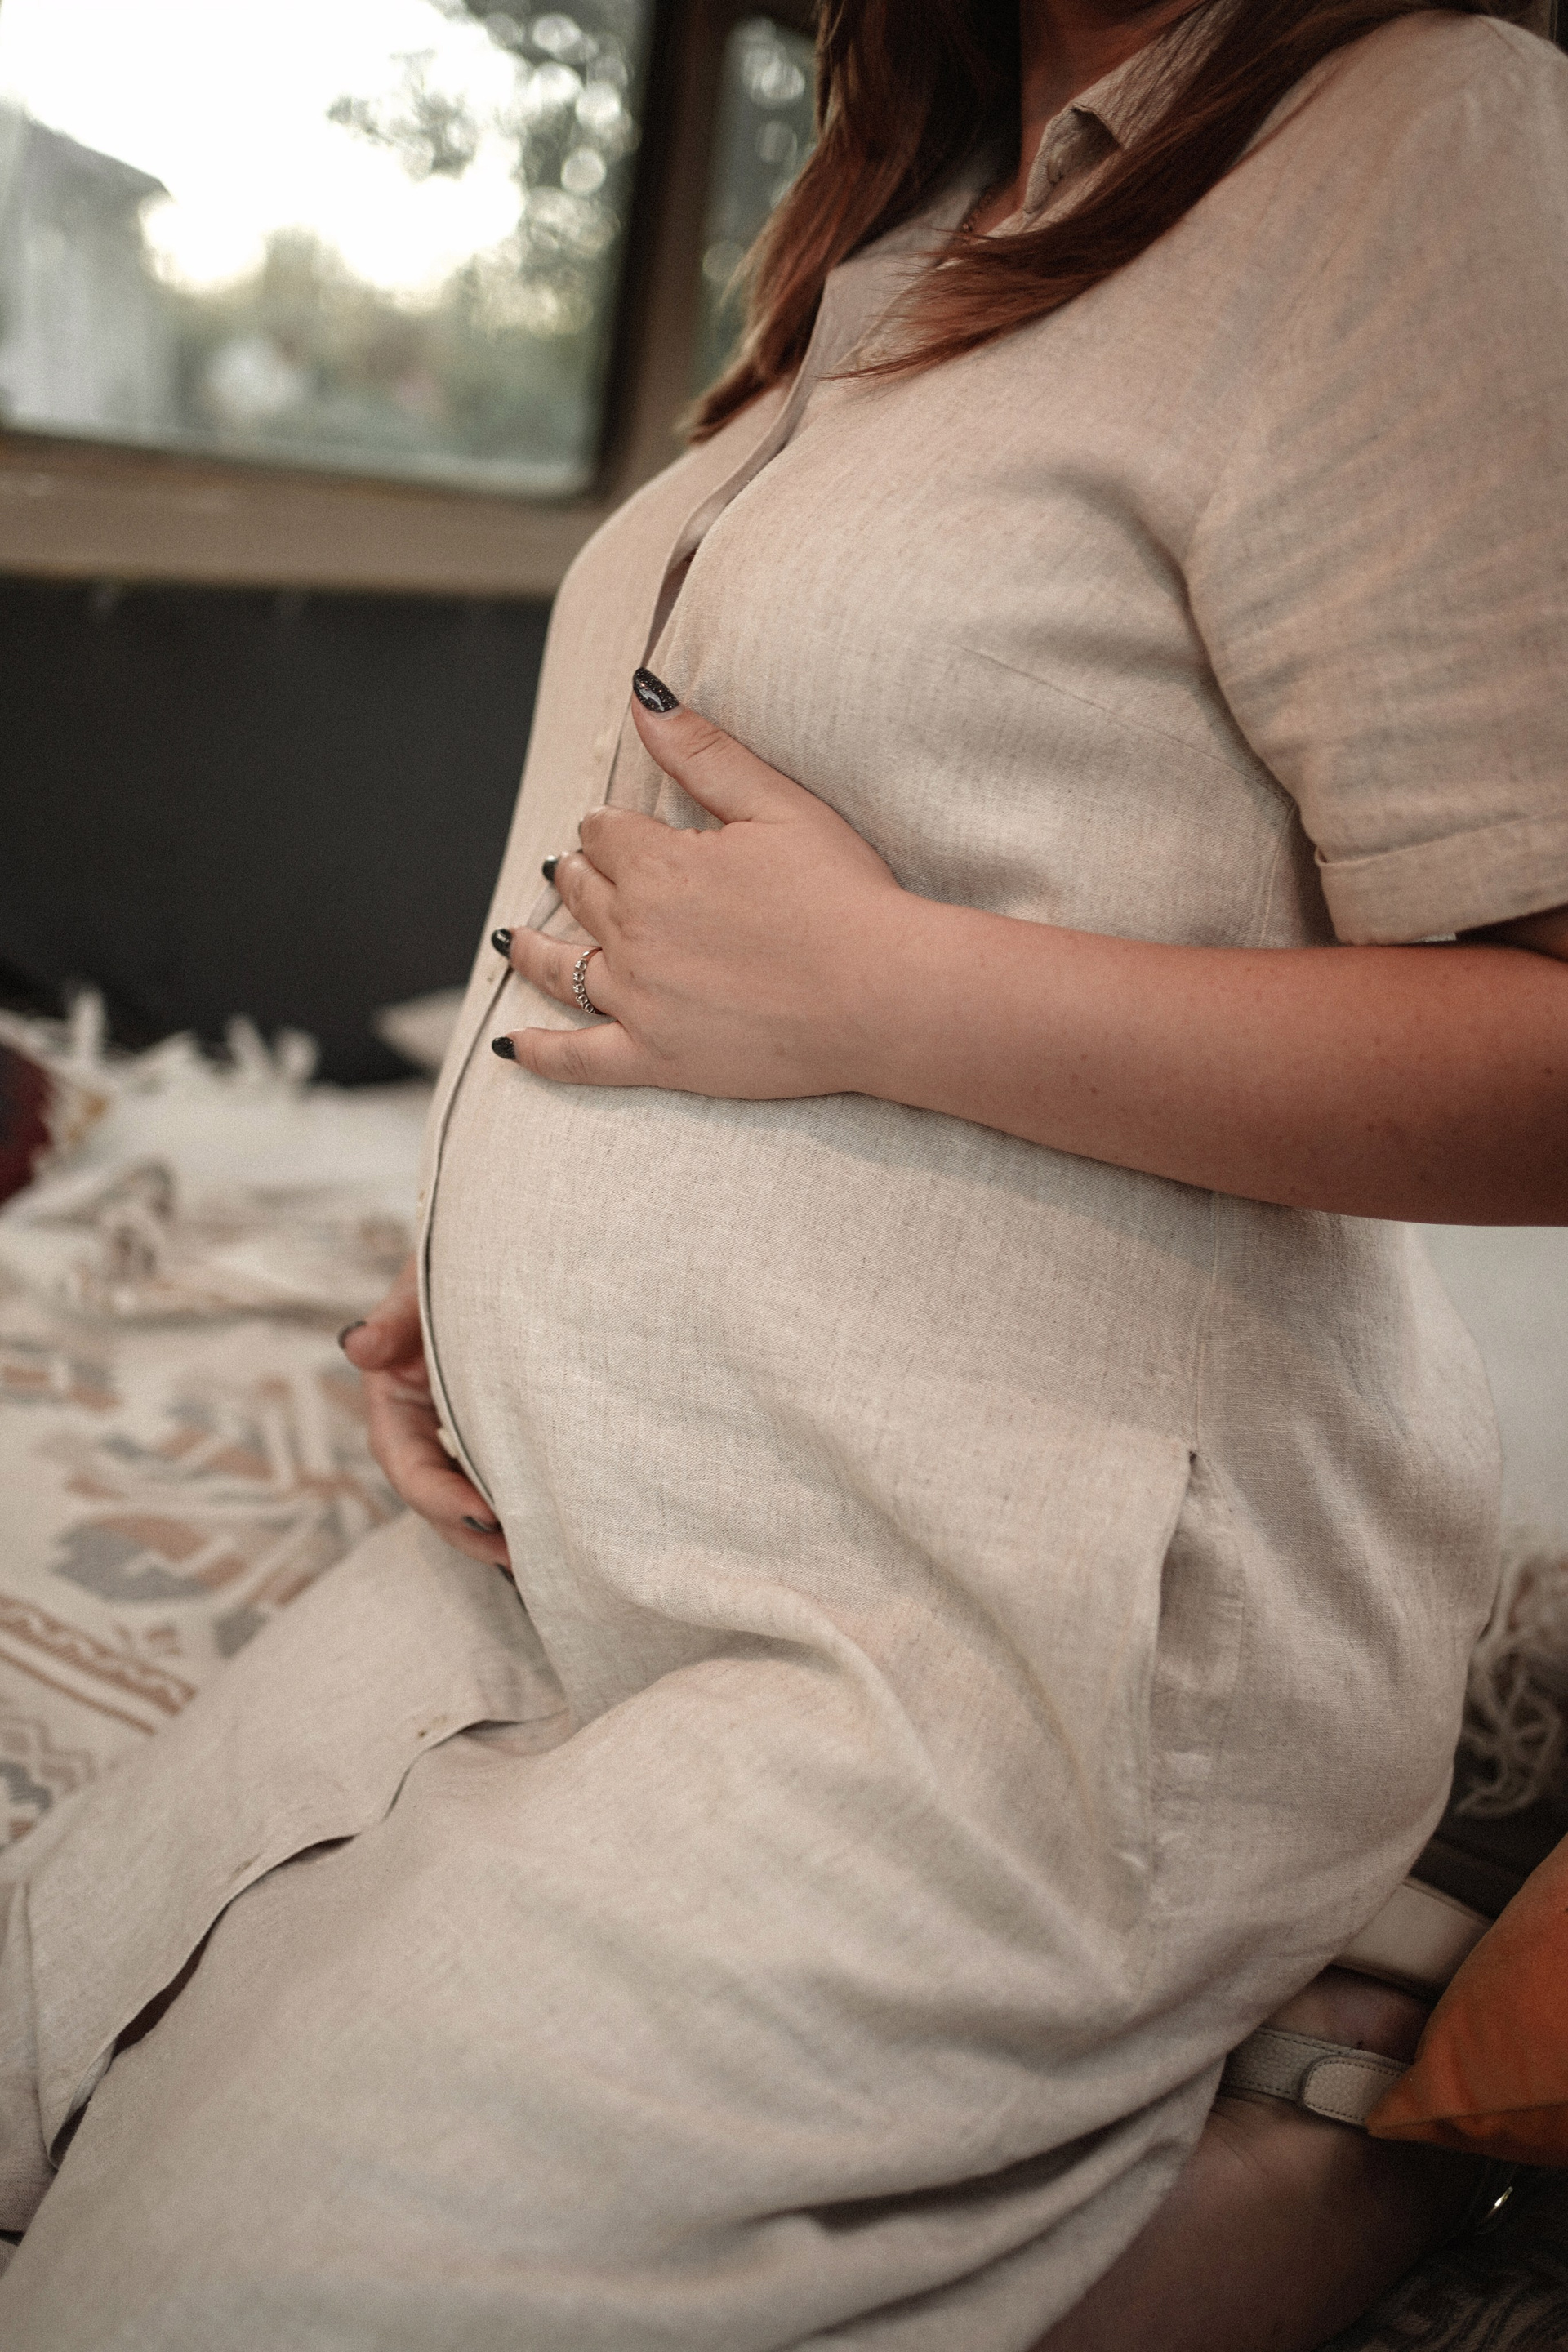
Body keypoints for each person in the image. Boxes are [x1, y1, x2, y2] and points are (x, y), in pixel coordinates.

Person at [2, 0, 1566, 2343]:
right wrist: (487, 1271)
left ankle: (1347, 2165)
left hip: (998, 1644)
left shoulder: (1430, 140)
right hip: (578, 1550)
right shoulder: (909, 216)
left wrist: (892, 994)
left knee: (200, 2309)